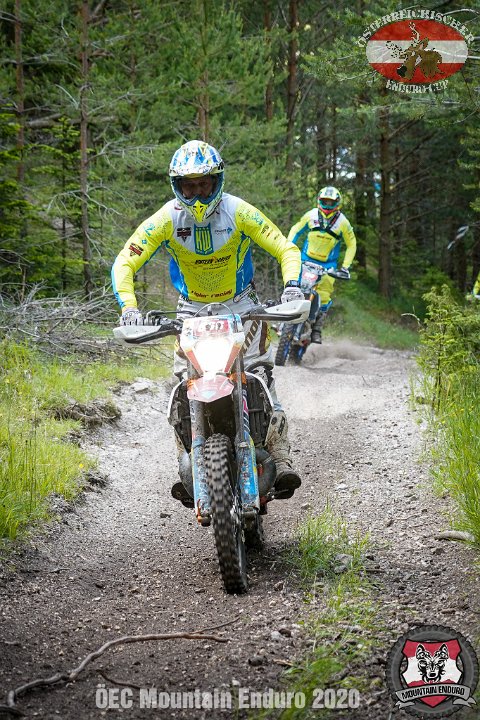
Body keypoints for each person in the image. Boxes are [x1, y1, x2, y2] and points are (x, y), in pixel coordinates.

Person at [112, 139, 304, 504]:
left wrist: (292, 286)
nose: (198, 194)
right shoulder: (167, 218)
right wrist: (129, 307)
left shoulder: (238, 211)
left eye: (204, 184)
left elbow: (284, 246)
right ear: (178, 186)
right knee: (183, 386)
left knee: (261, 375)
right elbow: (126, 260)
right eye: (190, 186)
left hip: (242, 306)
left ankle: (281, 458)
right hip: (191, 310)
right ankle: (188, 467)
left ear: (217, 181)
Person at [287, 186, 356, 343]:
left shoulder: (343, 222)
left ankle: (317, 328)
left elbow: (352, 244)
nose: (327, 205)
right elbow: (295, 230)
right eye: (325, 201)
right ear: (319, 200)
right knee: (293, 286)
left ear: (337, 203)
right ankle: (284, 317)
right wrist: (288, 248)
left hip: (328, 266)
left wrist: (345, 267)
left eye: (331, 202)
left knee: (324, 296)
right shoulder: (311, 215)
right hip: (306, 259)